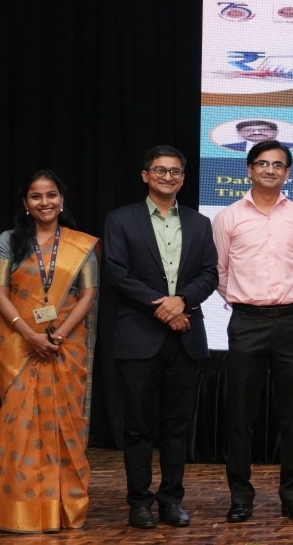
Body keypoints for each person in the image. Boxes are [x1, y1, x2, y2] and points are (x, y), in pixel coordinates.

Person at [102, 145, 219, 529]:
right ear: (145, 175)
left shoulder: (200, 223)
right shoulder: (121, 220)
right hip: (139, 336)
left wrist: (181, 300)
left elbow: (210, 273)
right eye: (160, 170)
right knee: (138, 427)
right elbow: (117, 272)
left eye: (175, 172)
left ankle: (171, 500)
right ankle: (139, 502)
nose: (168, 177)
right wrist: (164, 307)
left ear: (183, 179)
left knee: (177, 427)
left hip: (186, 338)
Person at [212, 140, 293, 523]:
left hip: (292, 322)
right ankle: (240, 497)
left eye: (278, 165)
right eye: (262, 163)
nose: (270, 170)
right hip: (247, 322)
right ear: (250, 169)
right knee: (241, 416)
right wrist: (248, 301)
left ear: (287, 172)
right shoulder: (228, 217)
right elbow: (220, 272)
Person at [0, 170, 99, 533]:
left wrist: (57, 336)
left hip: (64, 347)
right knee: (17, 425)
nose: (45, 202)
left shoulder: (80, 245)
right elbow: (0, 294)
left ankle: (61, 510)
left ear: (62, 199)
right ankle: (19, 511)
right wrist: (30, 335)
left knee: (62, 426)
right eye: (36, 196)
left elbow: (87, 295)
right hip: (18, 345)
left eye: (51, 195)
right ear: (26, 203)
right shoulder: (8, 241)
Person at [222, 120, 293, 152]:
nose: (256, 133)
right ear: (239, 133)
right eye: (248, 130)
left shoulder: (291, 147)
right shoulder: (228, 148)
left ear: (276, 132)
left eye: (264, 130)